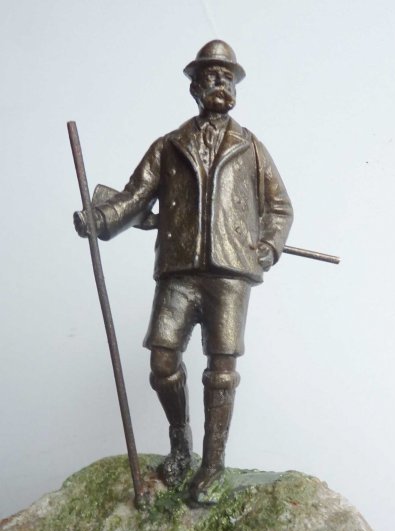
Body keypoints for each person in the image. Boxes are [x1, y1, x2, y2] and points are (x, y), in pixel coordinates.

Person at [74, 40, 293, 502]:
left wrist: (269, 246)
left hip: (229, 272)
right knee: (162, 361)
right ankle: (180, 441)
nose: (221, 83)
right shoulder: (169, 146)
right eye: (212, 76)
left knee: (222, 370)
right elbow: (135, 198)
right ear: (195, 87)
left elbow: (279, 207)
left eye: (227, 77)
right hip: (179, 269)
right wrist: (100, 219)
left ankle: (212, 466)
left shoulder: (251, 148)